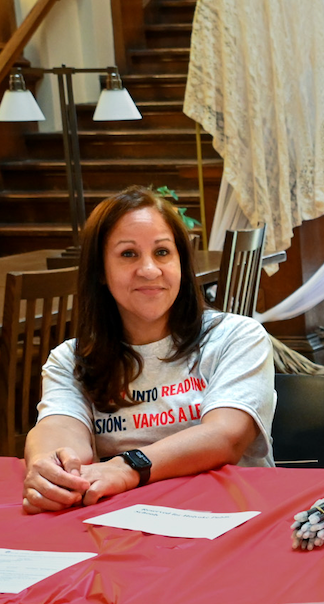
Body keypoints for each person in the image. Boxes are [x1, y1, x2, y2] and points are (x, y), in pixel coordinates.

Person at [23, 187, 276, 514]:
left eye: (162, 253)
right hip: (127, 520)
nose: (149, 270)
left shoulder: (237, 336)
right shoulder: (70, 359)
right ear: (101, 270)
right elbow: (58, 429)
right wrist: (50, 467)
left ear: (181, 263)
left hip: (232, 515)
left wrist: (127, 468)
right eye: (128, 254)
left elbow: (225, 437)